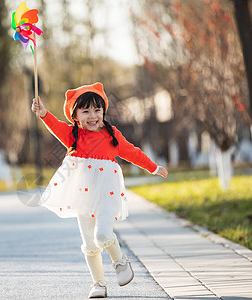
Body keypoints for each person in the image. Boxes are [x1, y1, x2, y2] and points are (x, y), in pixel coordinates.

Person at [31, 82, 168, 299]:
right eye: (85, 111)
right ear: (75, 115)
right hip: (82, 195)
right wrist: (43, 113)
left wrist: (153, 167)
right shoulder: (73, 136)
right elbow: (55, 125)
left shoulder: (112, 135)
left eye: (97, 110)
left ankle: (120, 262)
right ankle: (98, 284)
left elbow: (133, 152)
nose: (93, 115)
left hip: (107, 192)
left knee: (102, 233)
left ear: (103, 111)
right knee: (89, 243)